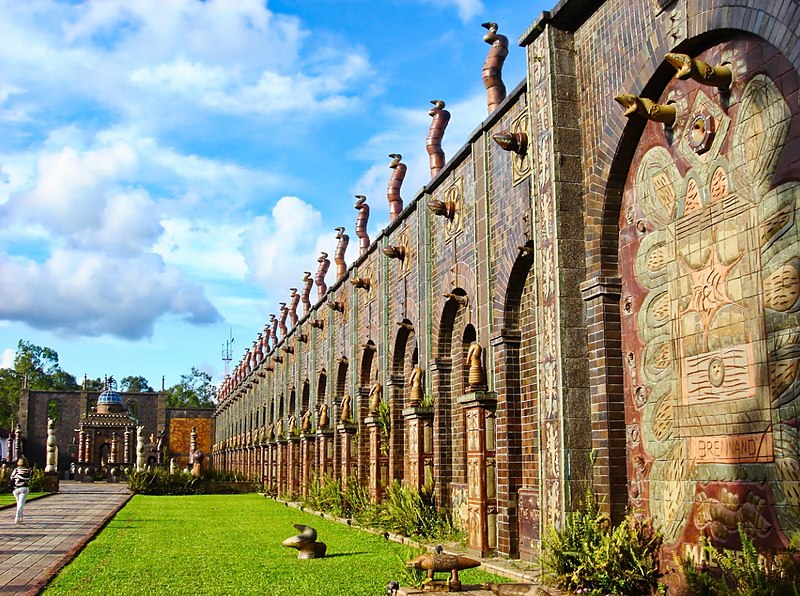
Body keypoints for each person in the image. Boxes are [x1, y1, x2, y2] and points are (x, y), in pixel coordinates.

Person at [11, 456, 31, 525]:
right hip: (24, 488)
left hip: (16, 489)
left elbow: (11, 477)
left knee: (19, 503)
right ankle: (17, 517)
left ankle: (21, 518)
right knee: (21, 504)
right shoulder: (28, 470)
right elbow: (31, 476)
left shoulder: (16, 469)